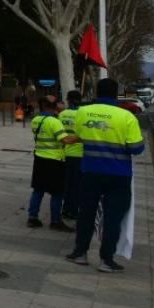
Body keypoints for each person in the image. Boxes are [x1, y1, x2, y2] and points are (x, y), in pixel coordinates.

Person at [65, 77, 145, 272]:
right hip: (118, 175)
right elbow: (136, 149)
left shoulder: (83, 113)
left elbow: (79, 135)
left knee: (86, 213)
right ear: (115, 92)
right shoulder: (126, 116)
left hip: (90, 171)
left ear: (97, 92)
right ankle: (106, 260)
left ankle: (80, 253)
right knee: (113, 217)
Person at [27, 95, 77, 231]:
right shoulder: (54, 122)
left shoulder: (36, 120)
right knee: (57, 193)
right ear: (55, 106)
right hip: (54, 161)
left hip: (39, 159)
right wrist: (82, 137)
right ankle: (55, 221)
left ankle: (32, 217)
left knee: (38, 190)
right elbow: (65, 140)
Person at [59, 90, 82, 220]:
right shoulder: (82, 115)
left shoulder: (62, 115)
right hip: (79, 155)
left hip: (64, 154)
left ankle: (65, 208)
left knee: (66, 184)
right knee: (77, 185)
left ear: (68, 100)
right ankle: (74, 210)